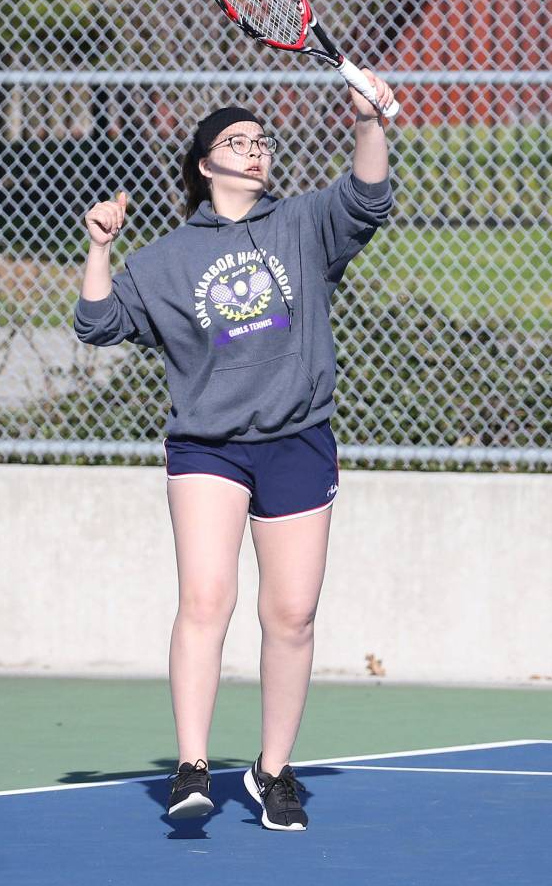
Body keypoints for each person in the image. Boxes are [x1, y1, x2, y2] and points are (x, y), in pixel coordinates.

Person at [73, 71, 395, 832]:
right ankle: (192, 764)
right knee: (207, 599)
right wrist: (97, 248)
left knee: (292, 614)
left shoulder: (304, 223)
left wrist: (369, 121)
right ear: (204, 164)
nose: (254, 150)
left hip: (298, 439)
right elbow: (97, 322)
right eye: (236, 141)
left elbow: (369, 198)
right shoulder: (167, 259)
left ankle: (273, 772)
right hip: (208, 448)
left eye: (261, 141)